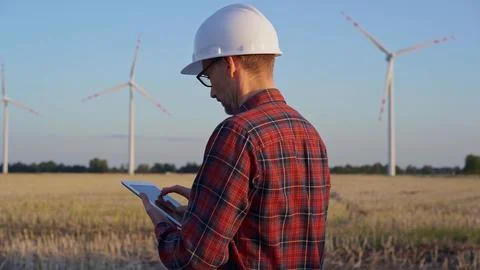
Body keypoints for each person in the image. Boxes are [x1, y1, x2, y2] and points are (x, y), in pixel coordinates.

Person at [140, 3, 331, 269]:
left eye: (207, 75)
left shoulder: (238, 133)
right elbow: (271, 233)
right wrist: (201, 213)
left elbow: (194, 259)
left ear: (229, 64)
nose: (211, 92)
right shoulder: (310, 135)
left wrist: (162, 224)